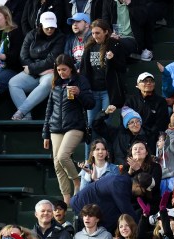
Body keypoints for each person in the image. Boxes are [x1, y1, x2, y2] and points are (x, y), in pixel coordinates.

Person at [43, 54, 94, 205]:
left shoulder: (81, 81)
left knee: (63, 156)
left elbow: (90, 103)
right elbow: (49, 110)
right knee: (57, 164)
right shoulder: (56, 84)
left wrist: (79, 93)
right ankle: (66, 200)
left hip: (75, 126)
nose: (61, 72)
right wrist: (45, 134)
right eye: (58, 70)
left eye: (64, 69)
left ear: (71, 68)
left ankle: (76, 180)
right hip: (55, 127)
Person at [8, 11, 65, 120]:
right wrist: (36, 70)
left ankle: (21, 112)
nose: (50, 30)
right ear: (41, 25)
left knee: (49, 81)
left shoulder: (60, 37)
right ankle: (27, 116)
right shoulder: (31, 35)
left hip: (48, 72)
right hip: (35, 71)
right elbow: (23, 57)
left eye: (52, 27)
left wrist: (32, 69)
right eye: (47, 27)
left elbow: (52, 59)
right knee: (13, 83)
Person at [71, 173, 152, 234]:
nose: (142, 195)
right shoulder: (120, 185)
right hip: (82, 206)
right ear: (138, 185)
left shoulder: (125, 182)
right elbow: (127, 211)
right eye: (143, 192)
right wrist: (142, 228)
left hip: (94, 205)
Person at [80, 19, 127, 123]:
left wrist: (113, 59)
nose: (95, 36)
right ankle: (94, 140)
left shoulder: (115, 44)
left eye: (98, 33)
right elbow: (84, 69)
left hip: (108, 91)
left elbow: (123, 68)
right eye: (93, 33)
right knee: (91, 121)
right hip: (92, 90)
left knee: (106, 121)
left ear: (106, 32)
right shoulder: (89, 46)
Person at [124, 72, 170, 137]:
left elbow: (161, 123)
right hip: (133, 135)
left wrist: (147, 134)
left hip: (153, 136)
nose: (148, 83)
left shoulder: (161, 101)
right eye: (144, 81)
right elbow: (125, 120)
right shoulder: (131, 101)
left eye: (151, 81)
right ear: (138, 85)